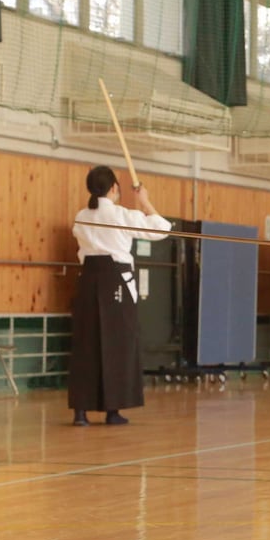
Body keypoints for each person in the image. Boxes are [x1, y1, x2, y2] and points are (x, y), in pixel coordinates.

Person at [68, 166, 171, 426]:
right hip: (116, 282)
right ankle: (112, 409)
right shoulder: (122, 214)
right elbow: (162, 228)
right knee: (118, 346)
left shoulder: (82, 216)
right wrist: (144, 201)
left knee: (86, 345)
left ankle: (81, 411)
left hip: (89, 282)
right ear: (114, 188)